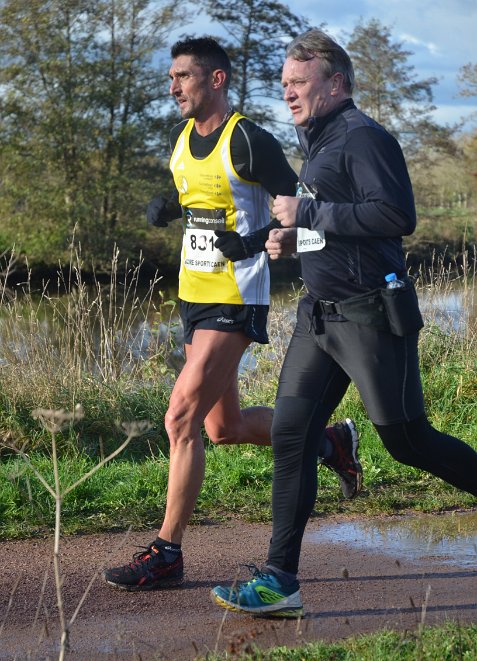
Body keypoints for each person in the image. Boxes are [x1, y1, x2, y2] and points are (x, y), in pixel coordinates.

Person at [211, 28, 477, 618]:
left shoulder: (363, 137)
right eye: (284, 83)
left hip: (370, 314)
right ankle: (280, 581)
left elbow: (395, 215)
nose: (288, 92)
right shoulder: (318, 140)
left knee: (408, 442)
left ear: (335, 83)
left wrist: (306, 210)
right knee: (291, 436)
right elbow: (334, 228)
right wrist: (279, 239)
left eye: (298, 82)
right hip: (319, 316)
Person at [104, 36, 362, 592]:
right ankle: (330, 442)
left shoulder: (248, 139)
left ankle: (167, 552)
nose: (173, 87)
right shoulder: (180, 138)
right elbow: (202, 198)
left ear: (216, 79)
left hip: (235, 295)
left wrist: (253, 242)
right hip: (192, 295)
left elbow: (300, 206)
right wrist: (168, 207)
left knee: (180, 418)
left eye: (183, 77)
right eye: (171, 78)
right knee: (223, 428)